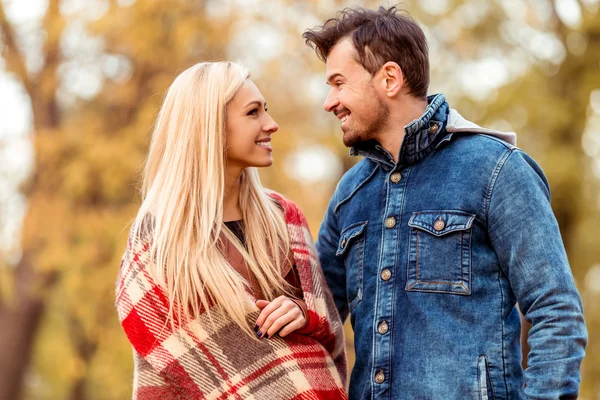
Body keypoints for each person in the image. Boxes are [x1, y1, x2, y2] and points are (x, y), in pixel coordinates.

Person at [303, 6, 587, 399]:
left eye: (339, 83)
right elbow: (318, 320)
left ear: (389, 78)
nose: (329, 102)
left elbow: (557, 313)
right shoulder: (350, 194)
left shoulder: (496, 170)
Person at [115, 61, 347, 399]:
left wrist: (302, 313)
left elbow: (332, 332)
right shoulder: (159, 237)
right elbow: (195, 362)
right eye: (253, 113)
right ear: (209, 126)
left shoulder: (285, 218)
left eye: (266, 110)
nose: (272, 124)